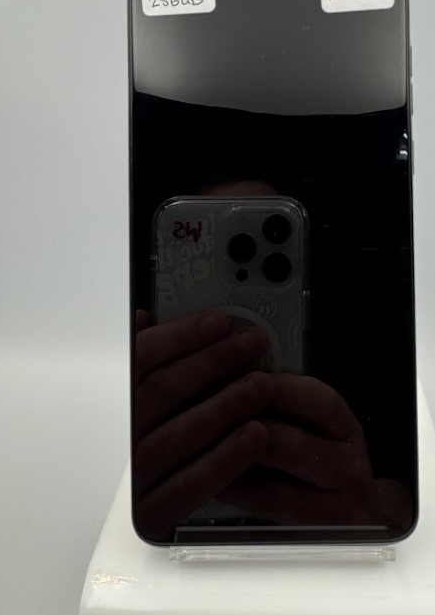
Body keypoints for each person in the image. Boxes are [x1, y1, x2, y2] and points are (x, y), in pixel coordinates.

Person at [132, 180, 412, 543]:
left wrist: (362, 529)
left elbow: (399, 504)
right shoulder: (136, 385)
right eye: (209, 251)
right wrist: (126, 501)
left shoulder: (359, 391)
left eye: (276, 234)